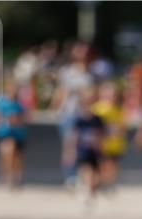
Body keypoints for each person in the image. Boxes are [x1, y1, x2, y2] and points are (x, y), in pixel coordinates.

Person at [50, 41, 93, 186]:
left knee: (83, 145)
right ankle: (70, 175)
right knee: (69, 145)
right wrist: (55, 108)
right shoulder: (67, 72)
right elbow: (60, 92)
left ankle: (83, 173)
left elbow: (91, 95)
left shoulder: (90, 73)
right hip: (68, 113)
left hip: (84, 113)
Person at [0, 76, 27, 187]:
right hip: (4, 132)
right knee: (5, 152)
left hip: (18, 133)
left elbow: (24, 118)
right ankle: (5, 175)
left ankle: (16, 175)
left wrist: (17, 120)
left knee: (17, 156)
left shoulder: (19, 104)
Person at [68, 86, 104, 202]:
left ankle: (91, 189)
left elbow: (101, 135)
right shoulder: (79, 119)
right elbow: (74, 136)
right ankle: (87, 190)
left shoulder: (97, 119)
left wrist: (100, 146)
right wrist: (71, 151)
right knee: (86, 169)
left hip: (94, 150)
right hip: (83, 149)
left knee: (95, 172)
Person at [92, 79, 127, 192]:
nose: (110, 95)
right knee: (102, 166)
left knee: (112, 166)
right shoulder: (97, 108)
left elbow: (122, 127)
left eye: (113, 93)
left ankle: (105, 183)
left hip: (115, 144)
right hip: (102, 144)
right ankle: (96, 185)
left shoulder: (118, 109)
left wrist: (119, 131)